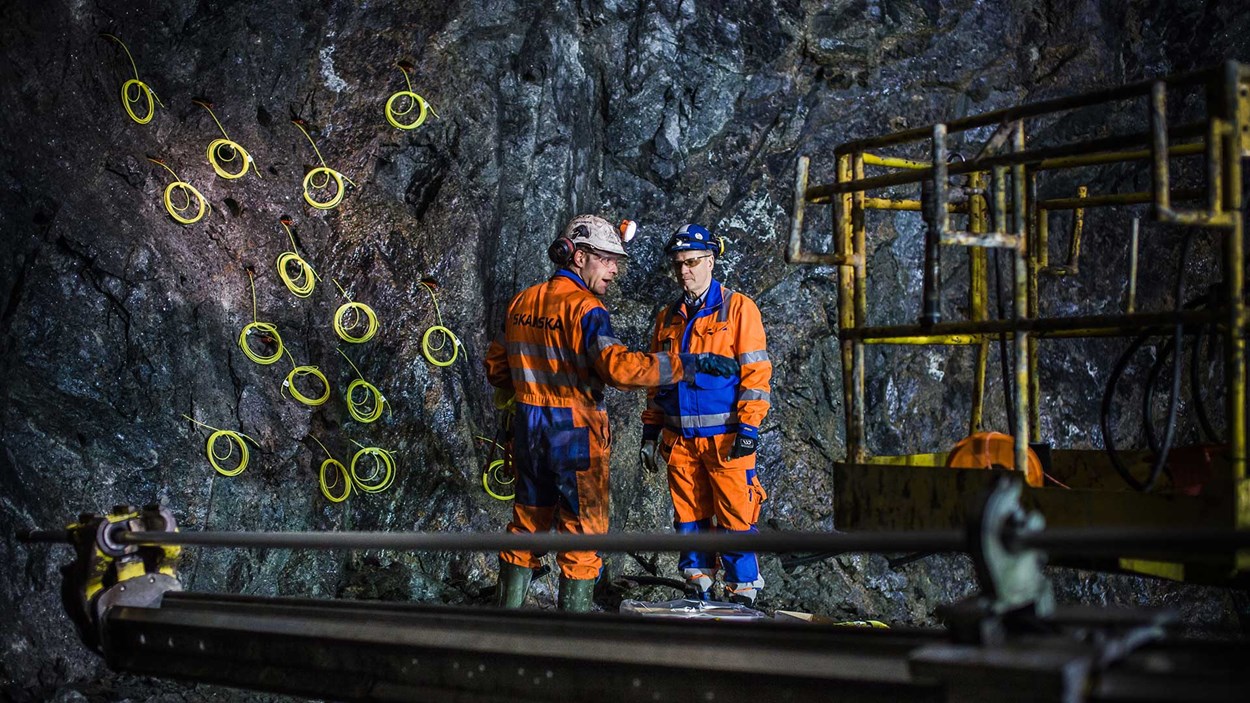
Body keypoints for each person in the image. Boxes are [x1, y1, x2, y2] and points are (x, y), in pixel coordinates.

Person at [484, 214, 739, 612]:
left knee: (526, 527)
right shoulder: (588, 309)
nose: (615, 270)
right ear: (578, 255)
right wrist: (687, 364)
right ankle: (574, 643)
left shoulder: (522, 302)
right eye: (607, 260)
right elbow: (618, 369)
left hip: (529, 431)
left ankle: (503, 630)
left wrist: (530, 393)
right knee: (583, 537)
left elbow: (496, 368)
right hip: (574, 436)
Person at [640, 223, 772, 605]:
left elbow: (756, 373)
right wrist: (650, 433)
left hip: (727, 439)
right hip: (680, 440)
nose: (685, 271)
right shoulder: (668, 318)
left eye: (693, 261)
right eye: (679, 263)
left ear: (711, 261)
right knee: (689, 517)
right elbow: (656, 380)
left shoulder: (737, 308)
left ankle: (743, 587)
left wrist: (750, 426)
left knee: (734, 516)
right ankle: (697, 581)